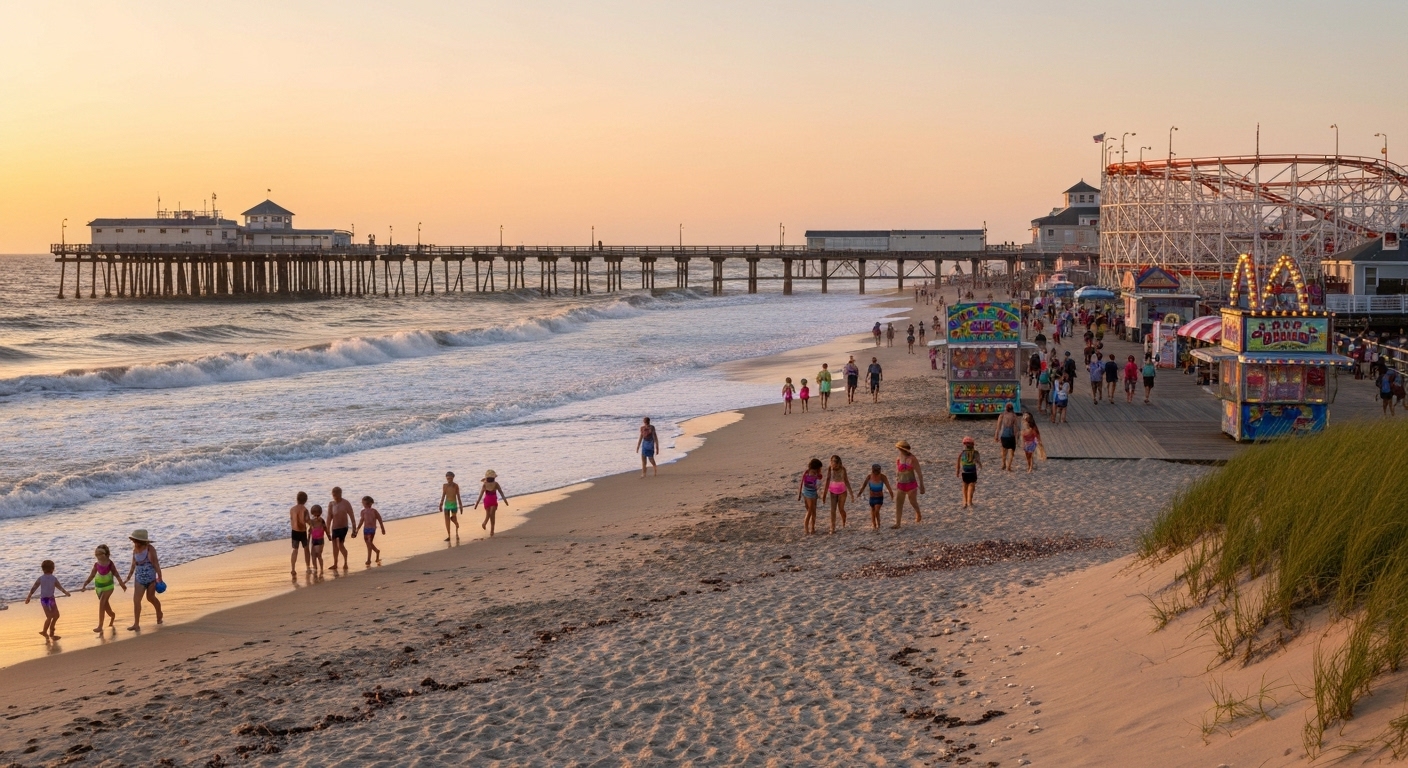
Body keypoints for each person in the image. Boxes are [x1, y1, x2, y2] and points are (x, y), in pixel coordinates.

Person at [80, 544, 125, 633]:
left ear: (106, 554)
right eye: (97, 555)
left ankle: (100, 626)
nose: (98, 556)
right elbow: (92, 575)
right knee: (106, 607)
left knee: (101, 603)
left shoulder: (110, 563)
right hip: (98, 587)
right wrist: (85, 584)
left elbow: (116, 574)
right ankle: (112, 615)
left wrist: (121, 583)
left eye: (100, 554)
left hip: (109, 586)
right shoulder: (96, 565)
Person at [125, 529, 163, 631]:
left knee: (150, 598)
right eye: (134, 541)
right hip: (139, 579)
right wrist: (128, 578)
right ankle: (136, 624)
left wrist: (160, 577)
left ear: (142, 541)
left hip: (151, 579)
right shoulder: (134, 550)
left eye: (137, 541)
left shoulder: (150, 549)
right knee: (136, 601)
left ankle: (159, 612)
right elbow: (133, 565)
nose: (135, 543)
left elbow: (156, 564)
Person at [25, 560, 70, 640]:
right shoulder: (53, 578)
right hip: (50, 599)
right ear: (53, 569)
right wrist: (65, 592)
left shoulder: (41, 578)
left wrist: (29, 597)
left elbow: (34, 588)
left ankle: (48, 631)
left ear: (43, 569)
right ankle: (49, 632)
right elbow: (59, 587)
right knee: (54, 616)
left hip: (44, 599)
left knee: (51, 616)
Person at [893, 440, 925, 527]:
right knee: (898, 503)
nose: (899, 450)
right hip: (901, 484)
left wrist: (922, 486)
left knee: (913, 502)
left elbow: (919, 473)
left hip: (911, 484)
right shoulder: (898, 459)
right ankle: (898, 523)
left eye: (900, 449)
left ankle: (918, 512)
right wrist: (897, 481)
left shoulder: (913, 459)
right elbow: (897, 472)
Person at [326, 487, 356, 571]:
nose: (334, 496)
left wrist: (354, 529)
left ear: (340, 494)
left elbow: (351, 515)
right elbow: (329, 517)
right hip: (335, 528)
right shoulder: (331, 504)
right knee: (334, 546)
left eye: (336, 495)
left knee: (339, 543)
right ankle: (335, 563)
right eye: (333, 495)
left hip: (343, 527)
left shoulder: (346, 503)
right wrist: (327, 529)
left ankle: (345, 562)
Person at [824, 455, 852, 534]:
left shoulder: (843, 469)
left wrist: (851, 493)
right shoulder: (830, 468)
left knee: (841, 509)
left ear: (839, 464)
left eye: (836, 465)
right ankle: (832, 528)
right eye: (832, 464)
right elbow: (827, 480)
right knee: (833, 510)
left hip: (842, 492)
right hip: (832, 491)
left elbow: (846, 481)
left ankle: (844, 522)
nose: (834, 466)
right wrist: (824, 494)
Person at [475, 470, 509, 536]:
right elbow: (481, 494)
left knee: (490, 514)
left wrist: (505, 500)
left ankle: (490, 528)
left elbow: (500, 492)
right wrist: (477, 503)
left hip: (490, 501)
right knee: (490, 515)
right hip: (489, 501)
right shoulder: (488, 484)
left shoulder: (493, 484)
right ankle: (487, 525)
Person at [355, 496, 385, 564]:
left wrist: (382, 528)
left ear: (368, 503)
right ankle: (377, 551)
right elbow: (361, 521)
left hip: (372, 529)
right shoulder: (363, 512)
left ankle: (369, 559)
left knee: (369, 542)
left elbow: (379, 519)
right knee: (368, 543)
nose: (362, 504)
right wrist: (357, 529)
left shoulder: (374, 511)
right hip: (365, 529)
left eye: (363, 503)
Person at [864, 463, 894, 531]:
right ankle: (874, 526)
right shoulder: (869, 476)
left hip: (879, 497)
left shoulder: (883, 477)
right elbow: (864, 485)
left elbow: (888, 486)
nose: (877, 473)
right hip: (872, 497)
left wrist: (891, 493)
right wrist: (859, 493)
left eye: (878, 471)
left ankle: (879, 524)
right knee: (873, 511)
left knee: (877, 511)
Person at [797, 458, 822, 535]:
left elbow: (819, 482)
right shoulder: (806, 473)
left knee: (813, 511)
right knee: (809, 510)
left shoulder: (818, 475)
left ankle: (813, 528)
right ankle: (806, 528)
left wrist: (817, 475)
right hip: (806, 493)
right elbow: (801, 482)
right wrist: (799, 494)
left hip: (814, 493)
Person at [955, 437, 981, 509]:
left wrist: (957, 470)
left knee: (965, 486)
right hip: (972, 472)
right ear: (973, 445)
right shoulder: (975, 452)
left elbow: (958, 461)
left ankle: (965, 502)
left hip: (965, 472)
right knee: (971, 486)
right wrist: (980, 464)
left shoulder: (962, 452)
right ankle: (969, 501)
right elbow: (978, 460)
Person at [289, 491, 312, 575]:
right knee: (306, 549)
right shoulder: (305, 510)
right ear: (305, 500)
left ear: (297, 499)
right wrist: (311, 526)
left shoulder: (292, 509)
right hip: (302, 531)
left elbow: (292, 520)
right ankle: (308, 567)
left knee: (295, 550)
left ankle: (293, 569)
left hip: (294, 531)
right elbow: (307, 520)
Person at [994, 403, 1020, 471]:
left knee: (1004, 450)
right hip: (1011, 435)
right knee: (1012, 451)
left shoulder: (1002, 415)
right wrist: (1017, 438)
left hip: (1004, 435)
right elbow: (1016, 428)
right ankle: (1009, 466)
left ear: (1006, 408)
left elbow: (998, 427)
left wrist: (996, 435)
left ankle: (1003, 464)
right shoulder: (1014, 416)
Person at [440, 472, 462, 541]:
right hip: (447, 504)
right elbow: (443, 495)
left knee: (453, 518)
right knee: (447, 520)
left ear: (453, 478)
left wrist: (461, 506)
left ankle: (457, 532)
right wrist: (441, 504)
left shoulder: (455, 486)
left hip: (454, 504)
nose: (449, 480)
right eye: (448, 478)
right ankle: (449, 535)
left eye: (450, 478)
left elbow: (458, 496)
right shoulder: (445, 486)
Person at [308, 505, 328, 574]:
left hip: (317, 540)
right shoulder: (319, 520)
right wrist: (329, 536)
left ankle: (318, 568)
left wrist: (307, 541)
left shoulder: (315, 521)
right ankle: (318, 568)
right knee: (316, 555)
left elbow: (310, 531)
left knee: (316, 555)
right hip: (318, 540)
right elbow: (325, 529)